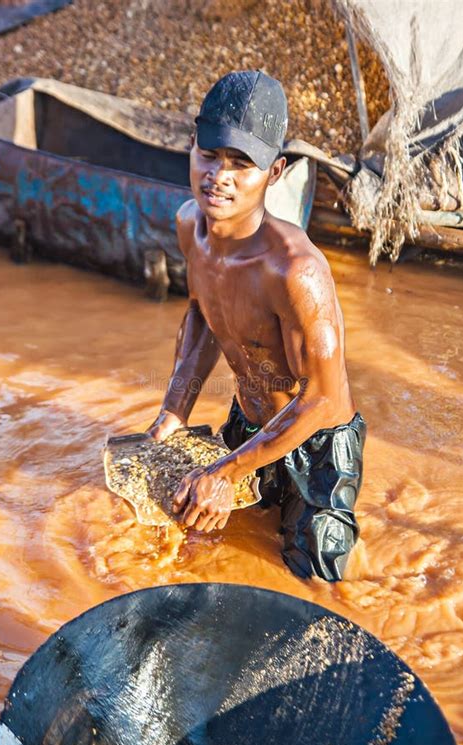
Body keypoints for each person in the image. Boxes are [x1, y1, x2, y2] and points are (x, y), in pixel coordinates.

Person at [147, 70, 366, 581]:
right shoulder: (188, 226)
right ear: (191, 147)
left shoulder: (295, 272)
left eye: (241, 164)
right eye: (209, 155)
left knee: (313, 588)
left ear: (275, 172)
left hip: (318, 445)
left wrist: (224, 472)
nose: (218, 176)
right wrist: (173, 410)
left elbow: (323, 400)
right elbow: (202, 314)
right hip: (249, 426)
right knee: (209, 541)